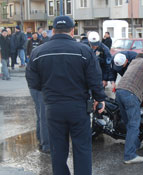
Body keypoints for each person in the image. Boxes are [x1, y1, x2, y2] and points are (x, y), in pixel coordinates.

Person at [25, 16, 106, 175]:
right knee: (82, 148)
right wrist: (100, 99)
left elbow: (33, 82)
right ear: (72, 31)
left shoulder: (38, 52)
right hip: (78, 108)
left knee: (58, 150)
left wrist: (48, 91)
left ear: (53, 30)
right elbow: (94, 79)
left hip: (53, 108)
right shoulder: (84, 51)